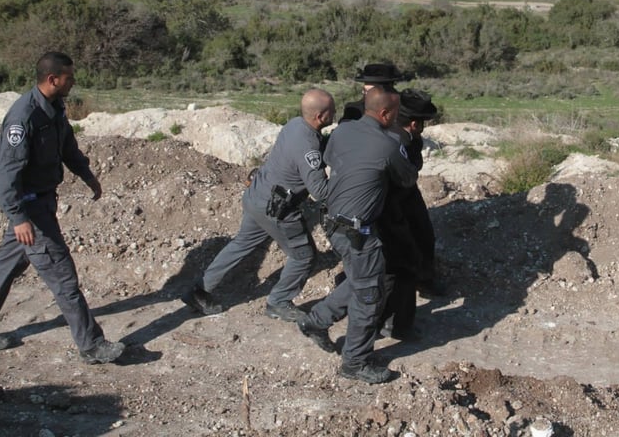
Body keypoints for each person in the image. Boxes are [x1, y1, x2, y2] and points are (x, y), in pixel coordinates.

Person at [0, 51, 125, 364]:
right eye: (69, 78)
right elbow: (6, 174)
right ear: (52, 79)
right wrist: (18, 217)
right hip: (31, 210)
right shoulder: (24, 116)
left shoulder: (54, 107)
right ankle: (92, 345)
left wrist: (87, 176)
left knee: (6, 266)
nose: (72, 83)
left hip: (43, 202)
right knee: (64, 278)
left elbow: (68, 147)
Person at [296, 86, 418, 384]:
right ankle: (355, 362)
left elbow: (332, 161)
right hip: (357, 230)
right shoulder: (389, 144)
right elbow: (407, 178)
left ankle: (316, 321)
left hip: (332, 220)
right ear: (385, 113)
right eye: (396, 113)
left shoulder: (341, 132)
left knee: (363, 278)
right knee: (369, 294)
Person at [184, 89, 335, 320]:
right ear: (321, 116)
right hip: (278, 209)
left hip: (257, 197)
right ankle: (279, 302)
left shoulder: (295, 125)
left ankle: (200, 291)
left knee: (241, 244)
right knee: (304, 256)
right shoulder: (309, 146)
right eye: (332, 110)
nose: (335, 112)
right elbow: (320, 191)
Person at [377, 88, 441, 340]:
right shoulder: (399, 143)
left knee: (401, 262)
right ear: (414, 123)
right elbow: (405, 177)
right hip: (392, 209)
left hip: (392, 205)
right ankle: (397, 324)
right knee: (402, 267)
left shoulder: (385, 134)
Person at [340, 62, 406, 123]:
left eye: (369, 91)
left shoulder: (402, 110)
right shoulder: (354, 110)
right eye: (365, 90)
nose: (365, 93)